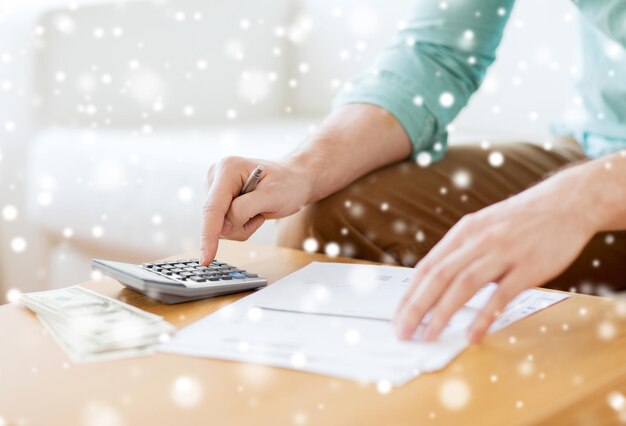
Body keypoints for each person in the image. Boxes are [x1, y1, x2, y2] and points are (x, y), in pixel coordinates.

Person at [199, 0, 626, 343]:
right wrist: (303, 168)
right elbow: (436, 52)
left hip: (602, 182)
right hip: (601, 144)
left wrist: (582, 198)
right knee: (340, 214)